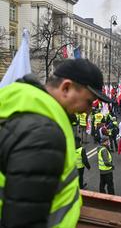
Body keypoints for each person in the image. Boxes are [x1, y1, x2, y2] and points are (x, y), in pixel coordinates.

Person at [0, 58, 111, 227]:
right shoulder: (43, 134)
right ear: (66, 88)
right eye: (88, 102)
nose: (88, 111)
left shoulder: (24, 107)